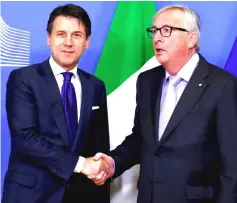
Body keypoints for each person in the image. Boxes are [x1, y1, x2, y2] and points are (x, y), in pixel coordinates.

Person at [90, 4, 237, 203]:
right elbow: (141, 138)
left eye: (167, 30)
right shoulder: (146, 81)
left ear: (191, 38)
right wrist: (113, 163)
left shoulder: (222, 85)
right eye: (155, 31)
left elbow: (232, 161)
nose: (157, 38)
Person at [2, 4, 110, 203]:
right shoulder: (23, 79)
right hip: (31, 195)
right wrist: (80, 164)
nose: (68, 42)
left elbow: (100, 143)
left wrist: (101, 169)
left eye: (77, 35)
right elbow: (25, 137)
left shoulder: (96, 86)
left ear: (87, 41)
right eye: (61, 34)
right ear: (49, 38)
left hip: (80, 195)